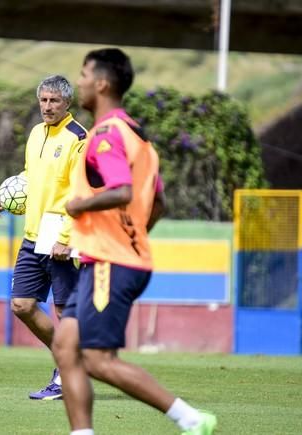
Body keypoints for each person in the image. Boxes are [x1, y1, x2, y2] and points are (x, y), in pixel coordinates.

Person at [51, 48, 217, 435]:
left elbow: (121, 190)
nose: (79, 82)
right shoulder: (138, 136)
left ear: (102, 83)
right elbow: (157, 202)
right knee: (65, 346)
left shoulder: (106, 135)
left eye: (83, 74)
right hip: (117, 257)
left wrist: (79, 205)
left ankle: (190, 419)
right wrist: (133, 236)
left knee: (98, 360)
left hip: (111, 261)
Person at [0, 75, 86, 400]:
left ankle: (66, 376)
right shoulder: (35, 133)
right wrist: (4, 192)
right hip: (33, 233)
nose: (47, 106)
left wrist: (67, 236)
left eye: (54, 101)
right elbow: (32, 175)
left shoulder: (78, 138)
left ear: (67, 103)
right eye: (43, 100)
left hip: (62, 234)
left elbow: (82, 191)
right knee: (22, 304)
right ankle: (68, 363)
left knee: (63, 311)